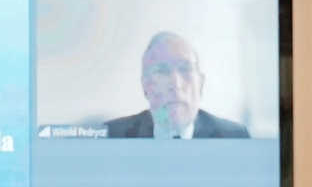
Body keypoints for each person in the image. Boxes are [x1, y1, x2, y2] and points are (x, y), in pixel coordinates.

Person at [105, 33, 250, 138]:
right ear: (145, 87)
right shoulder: (113, 135)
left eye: (185, 69)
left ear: (200, 84)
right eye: (161, 71)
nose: (176, 84)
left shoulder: (235, 137)